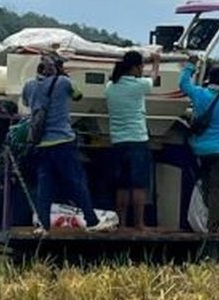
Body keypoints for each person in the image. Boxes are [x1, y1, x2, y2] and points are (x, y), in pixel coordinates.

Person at [22, 54, 117, 236]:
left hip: (41, 142)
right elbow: (78, 95)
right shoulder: (64, 82)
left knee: (45, 184)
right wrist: (64, 75)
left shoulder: (29, 85)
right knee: (76, 182)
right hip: (63, 141)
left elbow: (27, 103)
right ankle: (91, 221)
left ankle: (43, 226)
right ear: (57, 67)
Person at [179, 62, 219, 234]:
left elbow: (183, 84)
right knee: (218, 189)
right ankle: (213, 227)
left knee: (205, 186)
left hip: (200, 149)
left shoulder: (199, 94)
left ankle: (203, 220)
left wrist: (190, 66)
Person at [105, 51, 153, 231]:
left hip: (117, 140)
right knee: (139, 185)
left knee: (122, 186)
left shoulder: (110, 86)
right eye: (141, 66)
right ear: (134, 67)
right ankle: (139, 223)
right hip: (138, 139)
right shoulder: (139, 85)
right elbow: (153, 81)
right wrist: (155, 63)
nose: (142, 70)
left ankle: (122, 223)